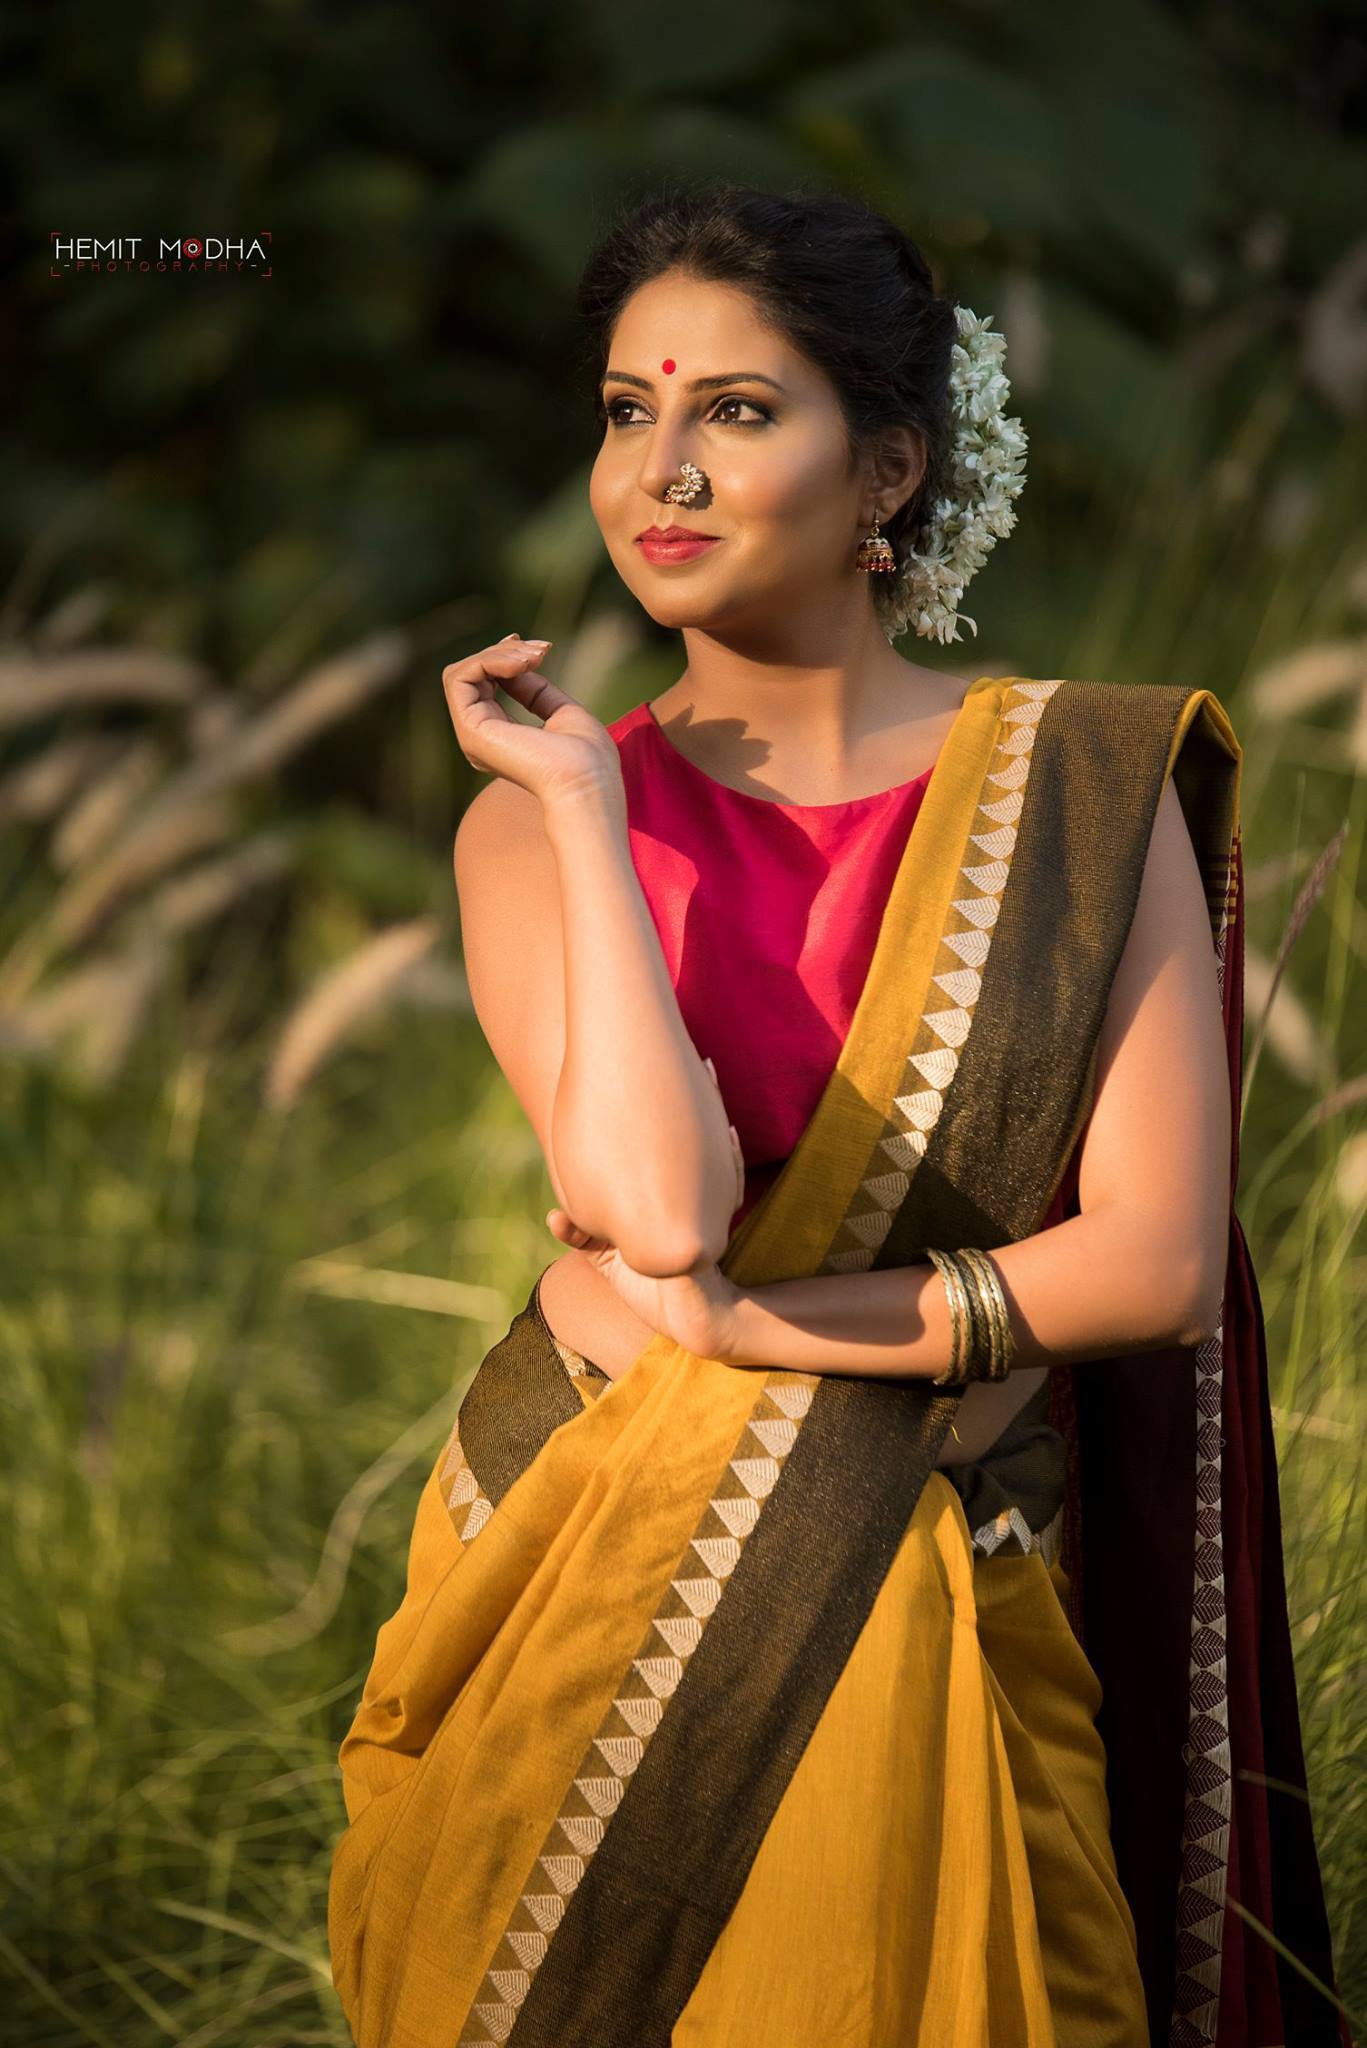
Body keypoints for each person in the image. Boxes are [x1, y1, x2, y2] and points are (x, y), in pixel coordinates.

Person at [327, 184, 1350, 2047]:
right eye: (627, 410)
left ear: (888, 467)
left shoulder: (1078, 793)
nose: (662, 469)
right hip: (593, 1547)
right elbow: (659, 1213)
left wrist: (755, 1335)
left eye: (736, 409)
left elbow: (1153, 1264)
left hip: (947, 1547)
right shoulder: (537, 823)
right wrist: (588, 808)